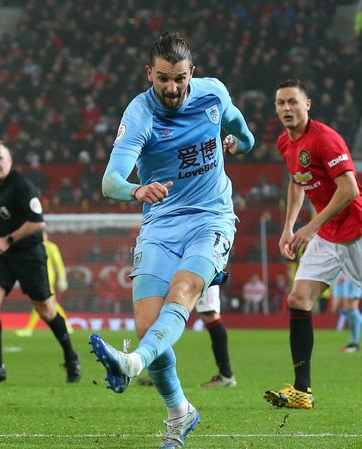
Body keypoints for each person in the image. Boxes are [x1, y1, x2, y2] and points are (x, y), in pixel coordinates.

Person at [88, 32, 254, 448]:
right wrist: (136, 190)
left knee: (183, 290)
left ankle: (132, 363)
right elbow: (110, 181)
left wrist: (241, 144)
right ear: (149, 74)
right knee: (148, 325)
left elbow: (242, 131)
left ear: (191, 73)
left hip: (211, 217)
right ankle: (180, 412)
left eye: (179, 78)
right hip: (160, 223)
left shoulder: (213, 95)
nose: (172, 88)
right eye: (162, 78)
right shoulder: (140, 114)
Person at [262, 79, 362, 410]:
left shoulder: (325, 139)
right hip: (328, 234)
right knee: (298, 299)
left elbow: (349, 189)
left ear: (307, 104)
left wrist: (310, 226)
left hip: (356, 229)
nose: (286, 108)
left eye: (293, 102)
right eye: (280, 103)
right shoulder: (285, 142)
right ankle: (302, 391)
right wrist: (289, 227)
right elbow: (297, 181)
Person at [0, 140, 80, 384]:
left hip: (29, 254)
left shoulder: (22, 185)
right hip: (1, 253)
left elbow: (38, 222)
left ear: (9, 161)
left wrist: (9, 239)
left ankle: (71, 357)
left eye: (0, 158)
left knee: (46, 310)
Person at [137, 285, 237, 387]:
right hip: (177, 272)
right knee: (163, 309)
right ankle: (159, 373)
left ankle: (226, 374)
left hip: (202, 271)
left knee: (209, 314)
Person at [15, 230, 74, 337]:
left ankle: (29, 329)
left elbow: (58, 263)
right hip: (37, 277)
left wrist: (62, 277)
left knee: (42, 302)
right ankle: (66, 325)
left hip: (47, 278)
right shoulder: (33, 247)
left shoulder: (51, 247)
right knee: (50, 303)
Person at [332, 272, 362, 353]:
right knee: (339, 306)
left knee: (351, 307)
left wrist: (347, 273)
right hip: (340, 272)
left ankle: (354, 344)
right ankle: (358, 324)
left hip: (353, 273)